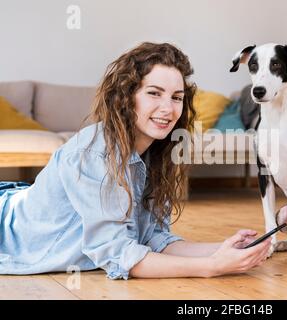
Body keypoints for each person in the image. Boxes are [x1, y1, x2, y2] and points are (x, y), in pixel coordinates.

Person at [0, 42, 271, 279]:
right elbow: (119, 255)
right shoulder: (96, 153)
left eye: (176, 97)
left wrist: (223, 249)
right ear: (127, 97)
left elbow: (153, 238)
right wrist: (210, 266)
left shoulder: (156, 153)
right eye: (154, 93)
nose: (168, 108)